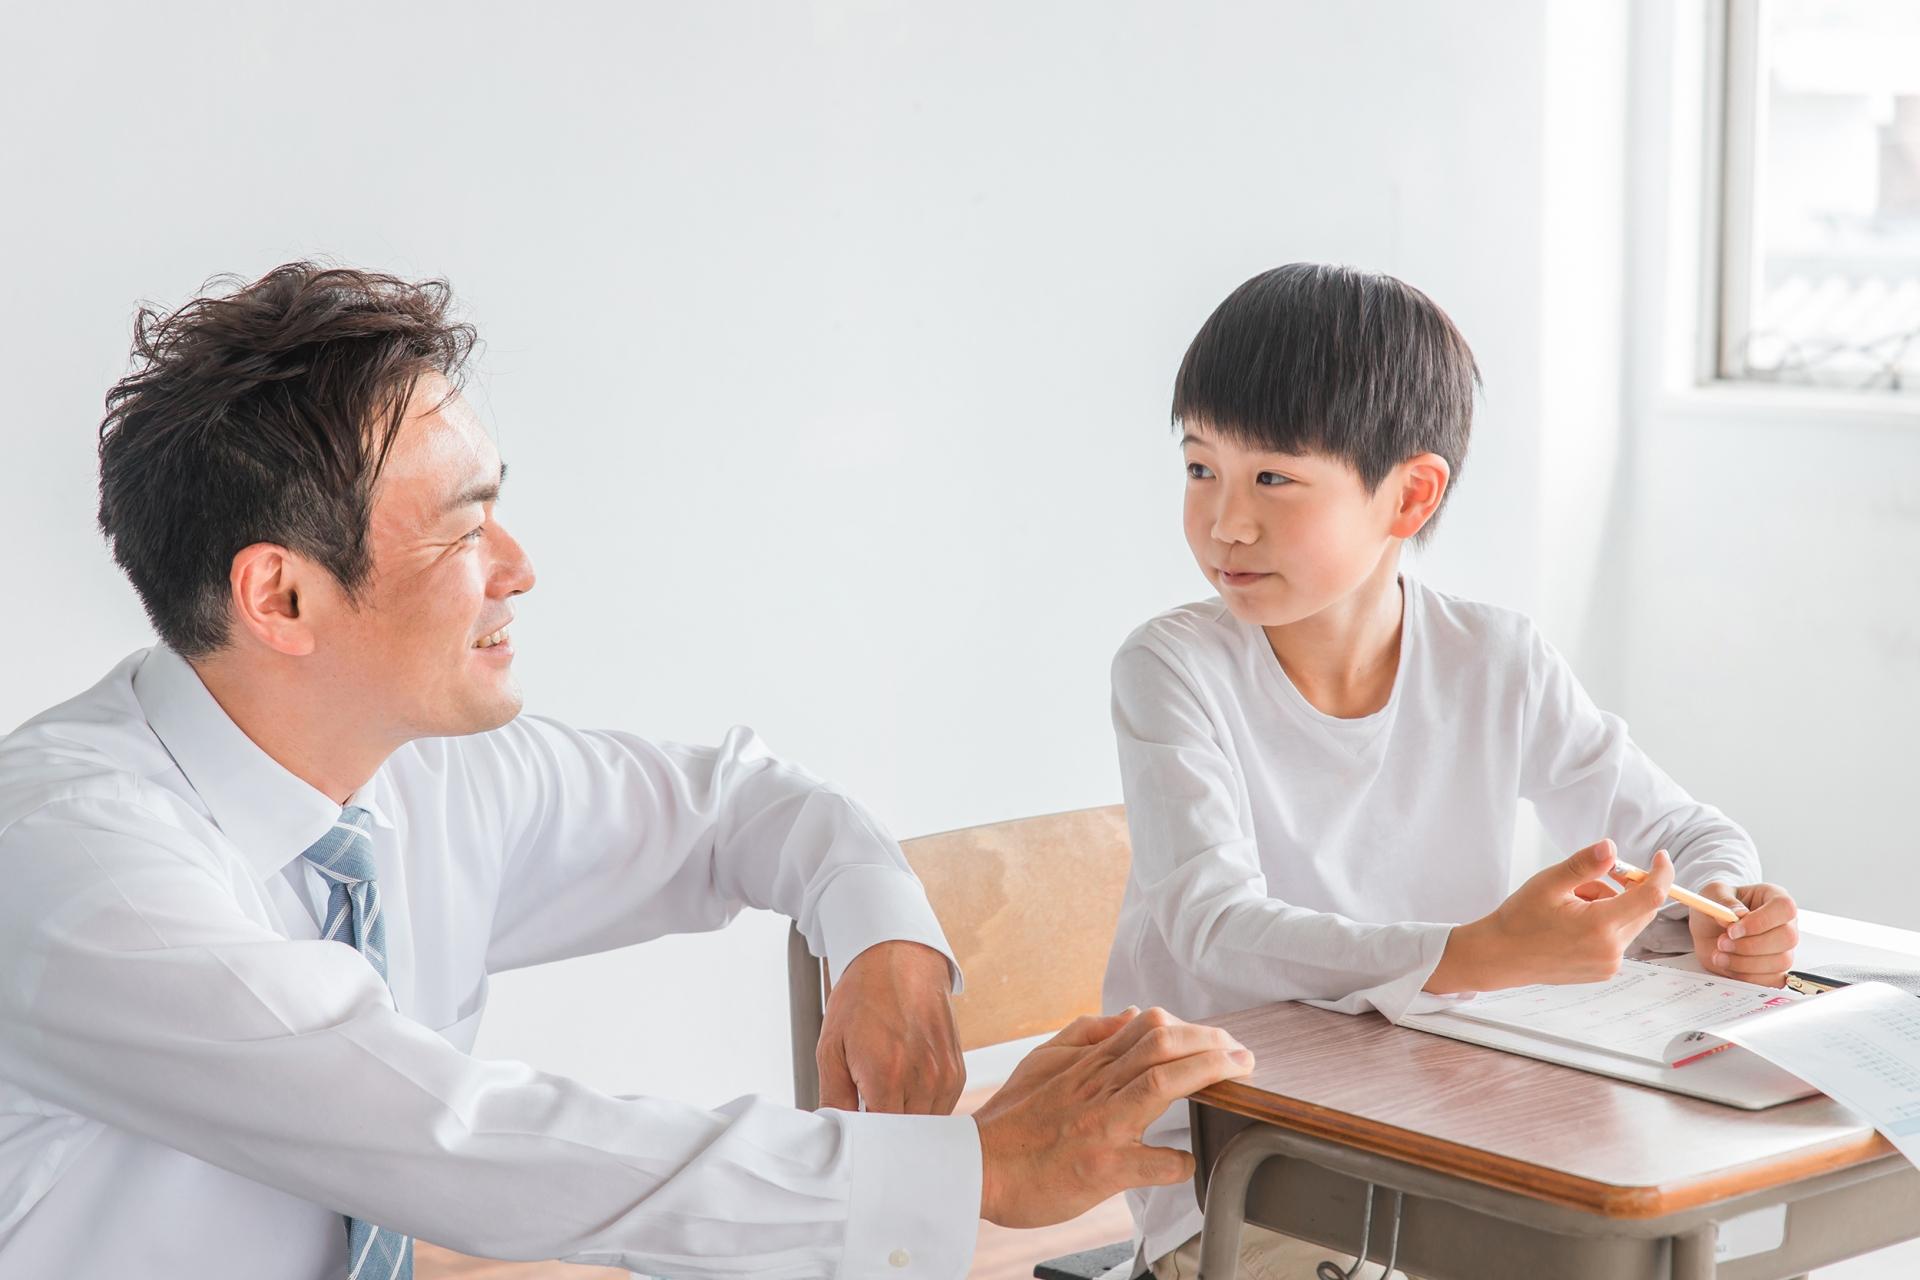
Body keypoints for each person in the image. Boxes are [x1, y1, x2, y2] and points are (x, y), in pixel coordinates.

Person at [0, 262, 1252, 1280]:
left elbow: (741, 806)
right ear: (281, 593)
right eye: (462, 526)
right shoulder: (77, 871)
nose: (520, 564)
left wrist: (887, 944)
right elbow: (458, 1145)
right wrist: (971, 1173)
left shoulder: (415, 772)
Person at [1102, 263, 1800, 1279]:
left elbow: (1686, 835)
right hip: (1237, 1167)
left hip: (1451, 1130)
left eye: (1273, 478)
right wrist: (1477, 951)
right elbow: (1213, 926)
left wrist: (1726, 899)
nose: (1226, 521)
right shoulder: (1172, 668)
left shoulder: (1495, 661)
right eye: (1202, 467)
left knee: (1701, 1244)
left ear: (1410, 493)